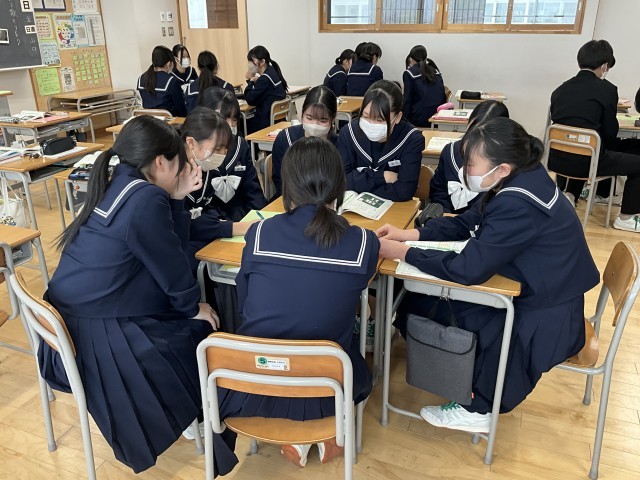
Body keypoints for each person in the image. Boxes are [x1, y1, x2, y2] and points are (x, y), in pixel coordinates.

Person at [377, 117, 599, 434]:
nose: (465, 169)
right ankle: (460, 377)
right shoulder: (522, 176)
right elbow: (469, 221)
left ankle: (479, 408)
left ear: (502, 168)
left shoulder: (517, 202)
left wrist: (403, 252)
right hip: (541, 289)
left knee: (425, 303)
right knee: (419, 299)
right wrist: (410, 235)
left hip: (545, 313)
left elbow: (467, 269)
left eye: (471, 163)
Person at [38, 116, 219, 473]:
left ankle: (188, 413)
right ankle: (193, 416)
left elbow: (163, 252)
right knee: (200, 328)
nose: (182, 172)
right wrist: (191, 308)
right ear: (161, 163)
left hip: (67, 319)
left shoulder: (118, 182)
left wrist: (175, 198)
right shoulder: (146, 197)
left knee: (181, 316)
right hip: (94, 334)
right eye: (180, 165)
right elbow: (174, 267)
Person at [208, 137, 379, 475]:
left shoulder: (259, 233)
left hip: (251, 386)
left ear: (287, 185)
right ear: (339, 184)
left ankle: (304, 440)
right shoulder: (363, 243)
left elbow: (245, 302)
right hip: (327, 388)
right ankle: (324, 437)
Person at [548, 39, 640, 232]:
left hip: (557, 160)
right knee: (632, 161)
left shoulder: (560, 89)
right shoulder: (607, 89)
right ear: (605, 65)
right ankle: (626, 217)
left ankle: (570, 196)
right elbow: (610, 133)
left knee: (585, 147)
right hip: (588, 162)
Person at [182, 107, 265, 273]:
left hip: (201, 235)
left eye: (225, 149)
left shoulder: (205, 167)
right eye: (217, 149)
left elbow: (207, 209)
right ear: (191, 143)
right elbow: (183, 226)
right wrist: (235, 228)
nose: (223, 154)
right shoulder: (171, 175)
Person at [338, 79, 424, 201]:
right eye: (366, 116)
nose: (371, 124)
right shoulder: (348, 133)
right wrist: (383, 176)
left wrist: (359, 182)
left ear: (398, 117)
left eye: (380, 119)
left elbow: (404, 190)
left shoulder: (411, 139)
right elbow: (341, 181)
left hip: (394, 209)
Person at [430, 100, 510, 213]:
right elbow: (438, 190)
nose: (473, 140)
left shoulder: (504, 164)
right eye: (471, 132)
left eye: (481, 136)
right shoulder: (450, 151)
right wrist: (445, 213)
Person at [271, 85, 338, 198]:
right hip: (292, 201)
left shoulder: (338, 144)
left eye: (323, 120)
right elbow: (280, 182)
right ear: (302, 115)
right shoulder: (286, 139)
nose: (315, 125)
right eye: (309, 118)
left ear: (333, 119)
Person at [244, 45, 287, 133]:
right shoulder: (272, 71)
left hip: (266, 123)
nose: (250, 64)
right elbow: (260, 91)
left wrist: (250, 81)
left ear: (262, 62)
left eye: (252, 60)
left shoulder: (264, 79)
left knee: (241, 123)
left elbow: (250, 99)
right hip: (277, 120)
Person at [402, 45, 446, 128]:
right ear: (426, 57)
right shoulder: (435, 71)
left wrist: (403, 120)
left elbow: (407, 100)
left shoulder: (409, 74)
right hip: (438, 116)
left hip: (420, 118)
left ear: (410, 59)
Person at [136, 45, 187, 117]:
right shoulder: (171, 81)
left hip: (147, 121)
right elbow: (181, 110)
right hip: (169, 121)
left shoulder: (141, 79)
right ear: (168, 64)